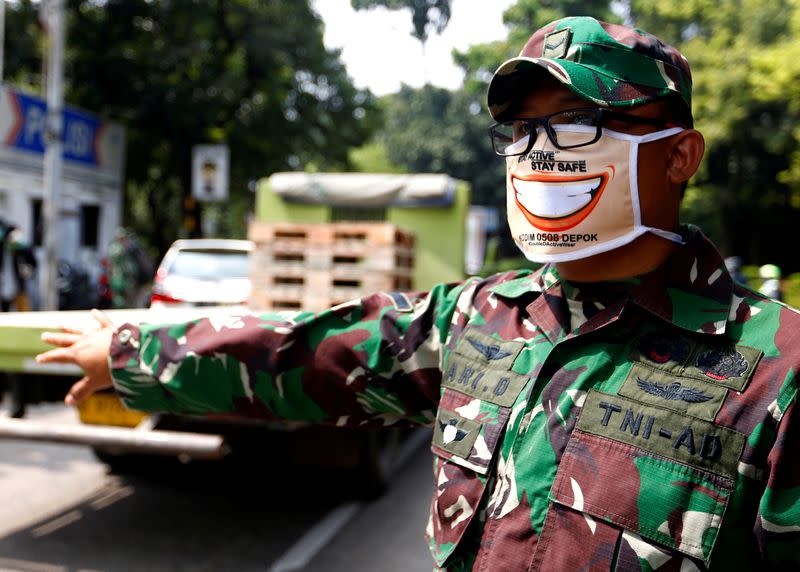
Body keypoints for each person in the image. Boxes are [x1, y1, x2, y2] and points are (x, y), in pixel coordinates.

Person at [35, 16, 799, 570]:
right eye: (522, 131)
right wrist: (129, 354)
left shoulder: (777, 374)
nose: (540, 153)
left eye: (577, 123)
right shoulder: (480, 317)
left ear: (680, 155)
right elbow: (305, 352)